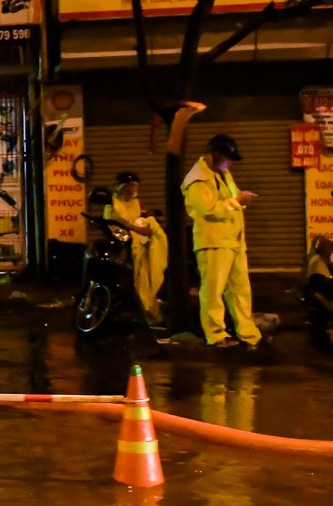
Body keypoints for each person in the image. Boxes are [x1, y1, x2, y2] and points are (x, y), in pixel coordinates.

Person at [182, 134, 262, 348]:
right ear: (215, 155)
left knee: (240, 289)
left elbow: (231, 197)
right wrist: (236, 201)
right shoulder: (197, 178)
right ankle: (216, 335)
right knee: (213, 290)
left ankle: (247, 333)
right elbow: (206, 209)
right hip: (213, 242)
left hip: (233, 240)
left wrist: (241, 199)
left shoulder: (222, 172)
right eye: (227, 158)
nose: (230, 163)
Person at [103, 171, 167, 325]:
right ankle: (145, 308)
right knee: (141, 276)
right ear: (121, 187)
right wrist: (139, 230)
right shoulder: (113, 205)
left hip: (140, 241)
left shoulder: (135, 203)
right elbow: (119, 222)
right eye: (129, 186)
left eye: (135, 186)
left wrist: (150, 220)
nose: (132, 190)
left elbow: (143, 215)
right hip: (124, 243)